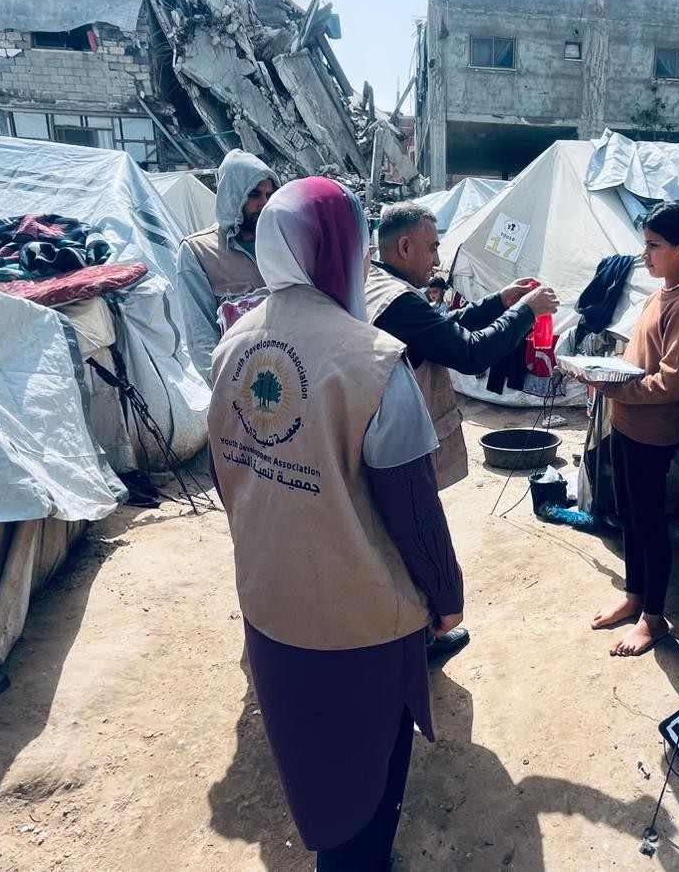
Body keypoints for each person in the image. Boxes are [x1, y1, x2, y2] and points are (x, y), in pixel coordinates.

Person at [209, 177, 464, 870]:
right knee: (366, 788)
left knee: (309, 757)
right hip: (359, 622)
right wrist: (446, 600)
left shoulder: (233, 342)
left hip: (269, 606)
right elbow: (414, 513)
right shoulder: (374, 362)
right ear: (345, 248)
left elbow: (228, 474)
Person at [583, 200, 679, 657]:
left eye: (653, 245)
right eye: (645, 244)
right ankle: (635, 596)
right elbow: (638, 363)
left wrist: (614, 387)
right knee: (628, 514)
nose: (645, 254)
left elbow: (670, 382)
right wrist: (602, 372)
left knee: (649, 524)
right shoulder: (659, 294)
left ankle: (655, 619)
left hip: (652, 431)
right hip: (626, 422)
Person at [364, 202, 560, 492]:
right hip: (399, 449)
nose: (436, 260)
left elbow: (438, 328)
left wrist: (499, 302)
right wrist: (526, 312)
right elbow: (471, 354)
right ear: (405, 248)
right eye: (432, 248)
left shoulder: (377, 283)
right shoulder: (399, 300)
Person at [176, 151, 278, 376]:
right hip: (239, 382)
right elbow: (201, 338)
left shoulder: (283, 242)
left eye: (269, 195)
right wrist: (225, 393)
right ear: (233, 195)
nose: (264, 204)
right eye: (254, 195)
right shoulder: (199, 251)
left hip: (291, 375)